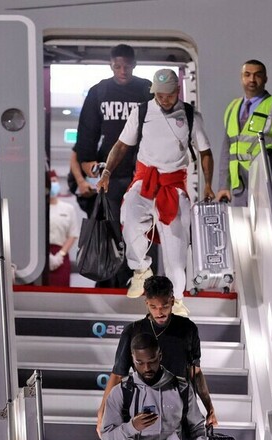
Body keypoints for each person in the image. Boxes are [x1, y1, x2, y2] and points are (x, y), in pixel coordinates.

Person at [96, 69, 214, 313]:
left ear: (178, 91)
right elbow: (121, 145)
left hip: (174, 187)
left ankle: (177, 300)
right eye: (159, 95)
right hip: (144, 181)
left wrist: (208, 185)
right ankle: (141, 269)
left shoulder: (191, 116)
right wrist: (107, 171)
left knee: (176, 253)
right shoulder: (141, 112)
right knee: (129, 220)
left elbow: (205, 153)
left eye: (169, 95)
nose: (164, 100)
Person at [96, 276, 218, 437]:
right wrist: (102, 414)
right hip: (144, 410)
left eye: (164, 306)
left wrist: (209, 408)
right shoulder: (133, 331)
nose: (159, 312)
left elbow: (195, 373)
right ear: (146, 303)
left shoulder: (188, 329)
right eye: (153, 307)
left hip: (180, 411)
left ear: (172, 301)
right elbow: (117, 375)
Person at [74, 44, 151, 288]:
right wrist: (87, 161)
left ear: (134, 65)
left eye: (127, 66)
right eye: (117, 66)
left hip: (142, 173)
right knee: (111, 229)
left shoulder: (146, 90)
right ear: (111, 65)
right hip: (111, 174)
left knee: (141, 231)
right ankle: (111, 282)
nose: (122, 71)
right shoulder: (100, 91)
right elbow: (87, 130)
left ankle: (140, 280)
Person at [217, 59, 272, 206]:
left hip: (267, 185)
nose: (252, 79)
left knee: (267, 222)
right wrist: (223, 185)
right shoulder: (232, 107)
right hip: (239, 187)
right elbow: (226, 150)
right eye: (247, 74)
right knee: (239, 222)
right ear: (241, 78)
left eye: (257, 75)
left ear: (265, 79)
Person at [47, 172, 79, 287]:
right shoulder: (38, 208)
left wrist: (60, 255)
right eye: (49, 182)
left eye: (54, 181)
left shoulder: (68, 208)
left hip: (61, 255)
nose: (52, 185)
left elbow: (73, 234)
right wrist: (46, 255)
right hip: (42, 256)